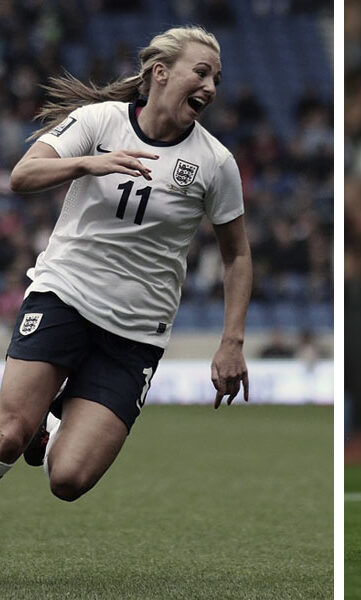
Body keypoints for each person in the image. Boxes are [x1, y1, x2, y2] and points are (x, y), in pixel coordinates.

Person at [2, 25, 251, 502]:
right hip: (64, 296)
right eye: (201, 73)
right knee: (7, 435)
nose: (211, 88)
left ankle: (47, 424)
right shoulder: (99, 121)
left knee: (68, 480)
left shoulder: (215, 162)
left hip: (135, 333)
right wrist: (87, 164)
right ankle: (30, 422)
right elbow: (22, 175)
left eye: (217, 79)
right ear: (161, 73)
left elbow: (237, 254)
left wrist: (231, 341)